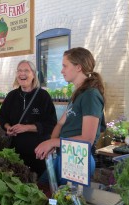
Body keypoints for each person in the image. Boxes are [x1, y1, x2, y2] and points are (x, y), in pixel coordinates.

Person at [35, 47, 105, 184]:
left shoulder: (91, 95)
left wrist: (52, 142)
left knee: (67, 203)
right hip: (63, 155)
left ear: (78, 67)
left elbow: (87, 139)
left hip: (78, 159)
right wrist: (52, 144)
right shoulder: (78, 94)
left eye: (65, 66)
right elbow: (60, 123)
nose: (61, 70)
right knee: (46, 191)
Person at [0, 60, 57, 179]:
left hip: (37, 155)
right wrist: (8, 127)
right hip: (15, 155)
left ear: (33, 75)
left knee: (37, 187)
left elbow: (51, 124)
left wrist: (26, 128)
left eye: (26, 70)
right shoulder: (11, 96)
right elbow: (2, 117)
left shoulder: (43, 96)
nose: (22, 74)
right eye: (19, 70)